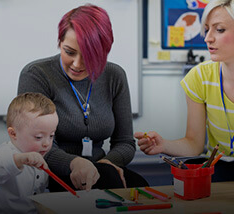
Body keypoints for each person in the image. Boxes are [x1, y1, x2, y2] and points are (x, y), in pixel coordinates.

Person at [135, 0, 234, 163]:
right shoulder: (199, 77)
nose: (208, 38)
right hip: (216, 174)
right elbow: (194, 145)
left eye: (220, 30)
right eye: (207, 29)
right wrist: (164, 145)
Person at [17, 4, 148, 192]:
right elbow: (37, 145)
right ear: (59, 42)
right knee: (110, 182)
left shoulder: (115, 75)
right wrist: (76, 164)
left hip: (101, 168)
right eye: (69, 52)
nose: (77, 64)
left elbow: (125, 143)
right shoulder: (36, 75)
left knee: (139, 187)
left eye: (89, 56)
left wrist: (105, 164)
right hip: (52, 171)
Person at [0, 92, 58, 213]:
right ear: (13, 134)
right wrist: (18, 160)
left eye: (51, 135)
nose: (47, 143)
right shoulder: (3, 153)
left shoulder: (39, 154)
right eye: (38, 137)